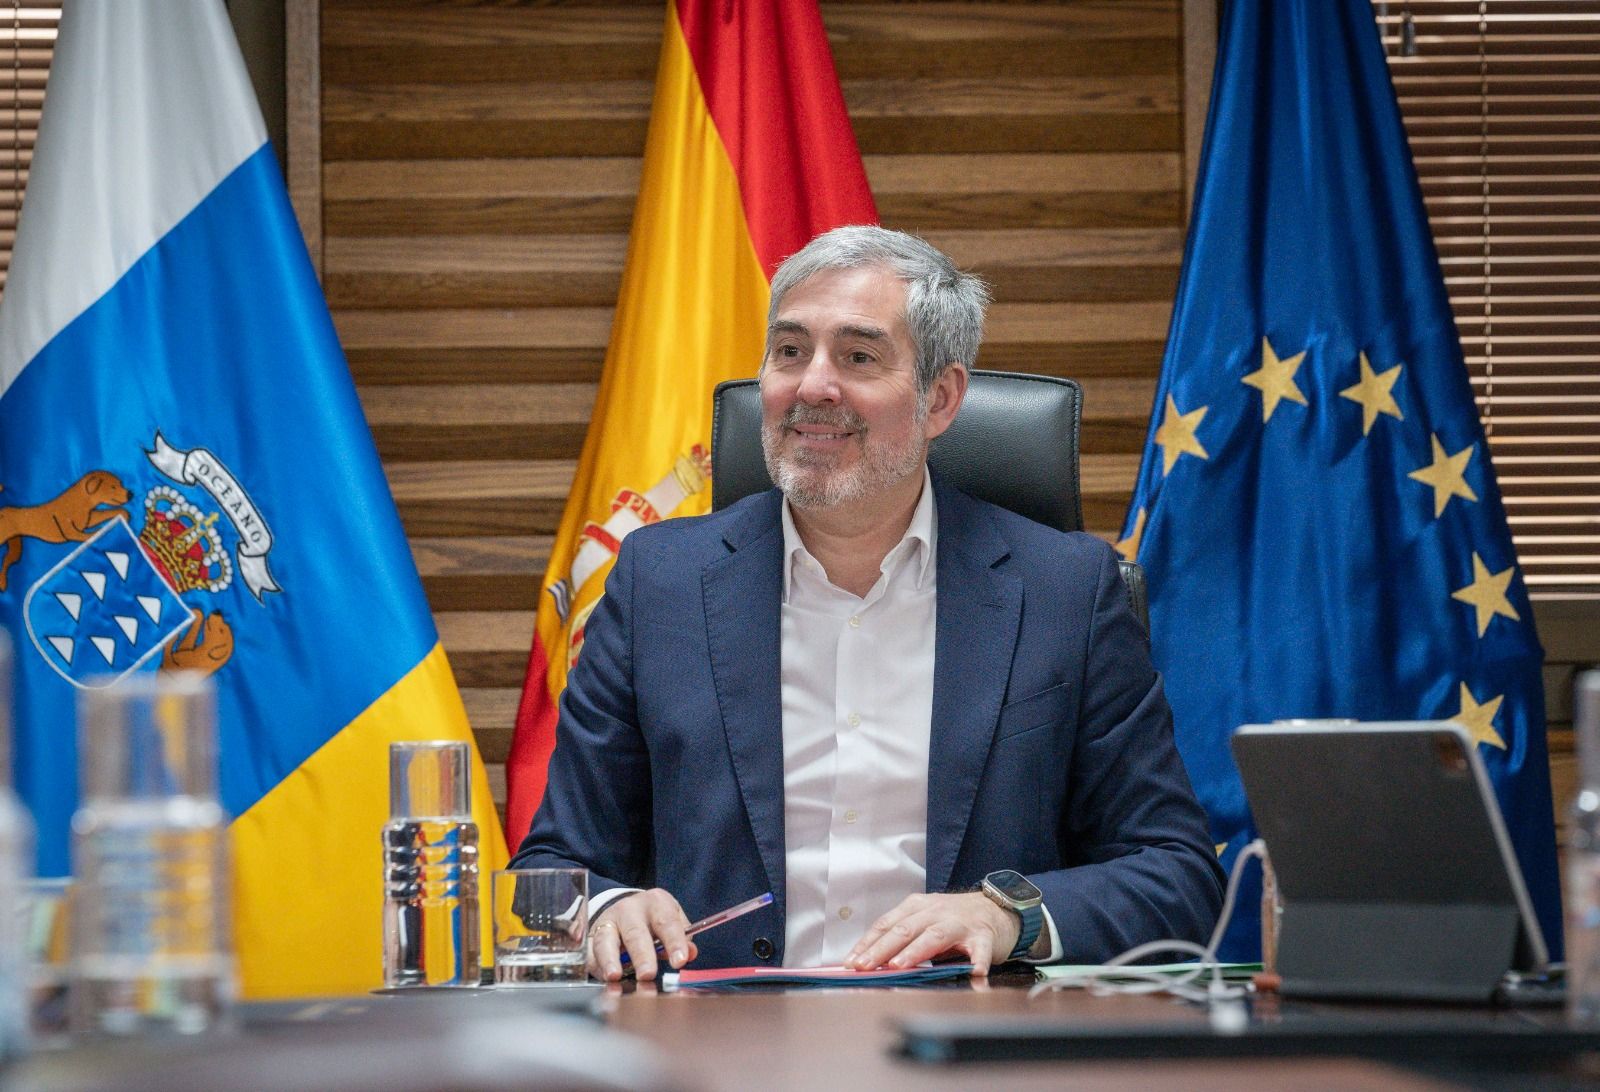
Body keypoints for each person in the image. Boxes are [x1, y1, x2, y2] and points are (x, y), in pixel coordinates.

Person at [511, 225, 1224, 982]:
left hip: (965, 1046)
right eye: (789, 352)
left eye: (857, 356)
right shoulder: (660, 583)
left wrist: (1006, 915)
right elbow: (552, 870)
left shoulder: (1064, 591)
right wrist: (607, 906)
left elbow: (1177, 876)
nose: (811, 386)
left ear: (941, 399)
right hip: (721, 1046)